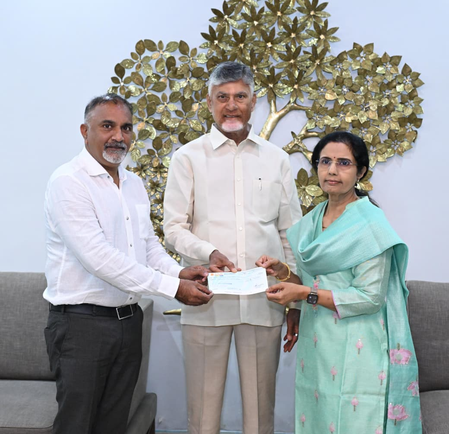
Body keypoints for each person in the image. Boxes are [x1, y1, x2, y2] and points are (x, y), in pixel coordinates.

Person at [43, 93, 213, 434]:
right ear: (85, 131)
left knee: (113, 425)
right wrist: (173, 287)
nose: (118, 136)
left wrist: (179, 271)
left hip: (128, 322)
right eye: (107, 126)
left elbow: (146, 245)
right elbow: (99, 258)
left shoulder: (133, 183)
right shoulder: (68, 182)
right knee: (76, 425)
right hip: (81, 326)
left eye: (126, 128)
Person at [164, 61, 302, 434]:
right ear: (209, 102)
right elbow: (173, 228)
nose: (231, 105)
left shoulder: (276, 159)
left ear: (254, 102)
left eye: (240, 96)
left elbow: (290, 233)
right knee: (203, 413)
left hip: (264, 299)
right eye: (222, 97)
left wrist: (294, 302)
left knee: (260, 413)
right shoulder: (188, 157)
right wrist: (207, 252)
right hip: (207, 297)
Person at [257, 131, 422, 434]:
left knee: (354, 421)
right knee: (317, 418)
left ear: (360, 172)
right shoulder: (311, 221)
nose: (332, 170)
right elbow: (309, 282)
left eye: (344, 163)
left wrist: (303, 293)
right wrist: (283, 272)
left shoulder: (369, 224)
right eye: (325, 162)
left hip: (359, 344)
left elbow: (369, 297)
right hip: (317, 343)